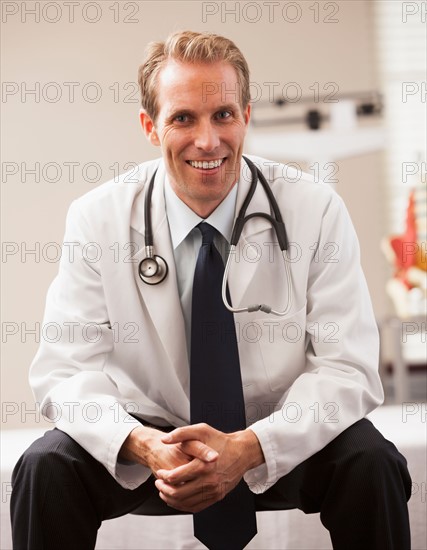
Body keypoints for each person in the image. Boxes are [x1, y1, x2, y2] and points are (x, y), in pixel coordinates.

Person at [11, 30, 411, 550]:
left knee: (371, 462)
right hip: (151, 449)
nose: (207, 141)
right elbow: (63, 370)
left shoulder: (314, 210)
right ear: (150, 127)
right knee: (45, 468)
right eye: (183, 118)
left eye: (223, 114)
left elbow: (348, 368)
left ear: (246, 115)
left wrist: (251, 446)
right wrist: (140, 442)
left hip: (276, 440)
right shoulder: (98, 218)